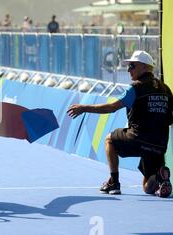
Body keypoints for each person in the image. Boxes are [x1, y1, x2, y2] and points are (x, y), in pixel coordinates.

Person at [67, 51, 173, 197]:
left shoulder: (135, 88)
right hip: (159, 144)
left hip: (138, 137)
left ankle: (114, 182)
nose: (128, 69)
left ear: (143, 67)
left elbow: (111, 107)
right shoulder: (166, 89)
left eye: (132, 66)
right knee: (147, 188)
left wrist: (84, 108)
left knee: (109, 139)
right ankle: (160, 177)